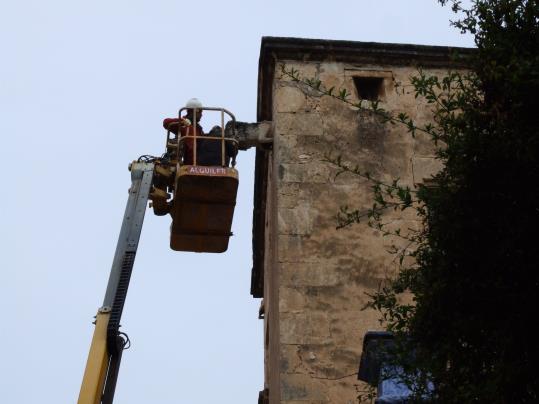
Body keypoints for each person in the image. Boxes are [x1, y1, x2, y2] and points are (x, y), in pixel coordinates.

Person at [163, 98, 204, 165]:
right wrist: (182, 122)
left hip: (198, 159)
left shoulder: (199, 129)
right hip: (188, 161)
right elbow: (166, 122)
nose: (202, 115)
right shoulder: (183, 125)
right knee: (189, 129)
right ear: (195, 111)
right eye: (200, 112)